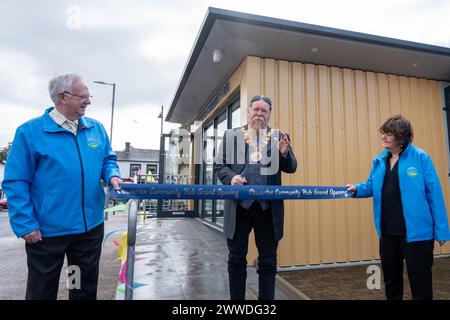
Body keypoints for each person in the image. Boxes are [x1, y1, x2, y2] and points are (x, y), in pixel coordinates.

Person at [2, 74, 121, 300]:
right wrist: (25, 224)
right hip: (48, 232)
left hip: (88, 230)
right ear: (63, 97)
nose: (89, 101)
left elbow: (108, 159)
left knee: (80, 287)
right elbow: (16, 182)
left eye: (89, 96)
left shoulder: (96, 129)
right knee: (42, 291)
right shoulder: (30, 133)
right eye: (83, 97)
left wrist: (112, 175)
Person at [346, 115, 449, 300]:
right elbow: (371, 185)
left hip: (417, 234)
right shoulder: (379, 161)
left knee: (421, 283)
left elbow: (435, 194)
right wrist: (356, 188)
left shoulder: (420, 158)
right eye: (383, 133)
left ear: (401, 138)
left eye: (389, 133)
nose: (383, 137)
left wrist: (441, 230)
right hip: (387, 233)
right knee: (391, 282)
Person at [215, 95, 297, 300]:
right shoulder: (231, 135)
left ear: (270, 114)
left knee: (268, 262)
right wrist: (232, 178)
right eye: (256, 109)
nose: (259, 114)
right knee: (236, 260)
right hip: (238, 208)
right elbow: (219, 166)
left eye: (264, 110)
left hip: (267, 210)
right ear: (248, 111)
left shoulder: (280, 136)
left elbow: (292, 168)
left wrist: (285, 154)